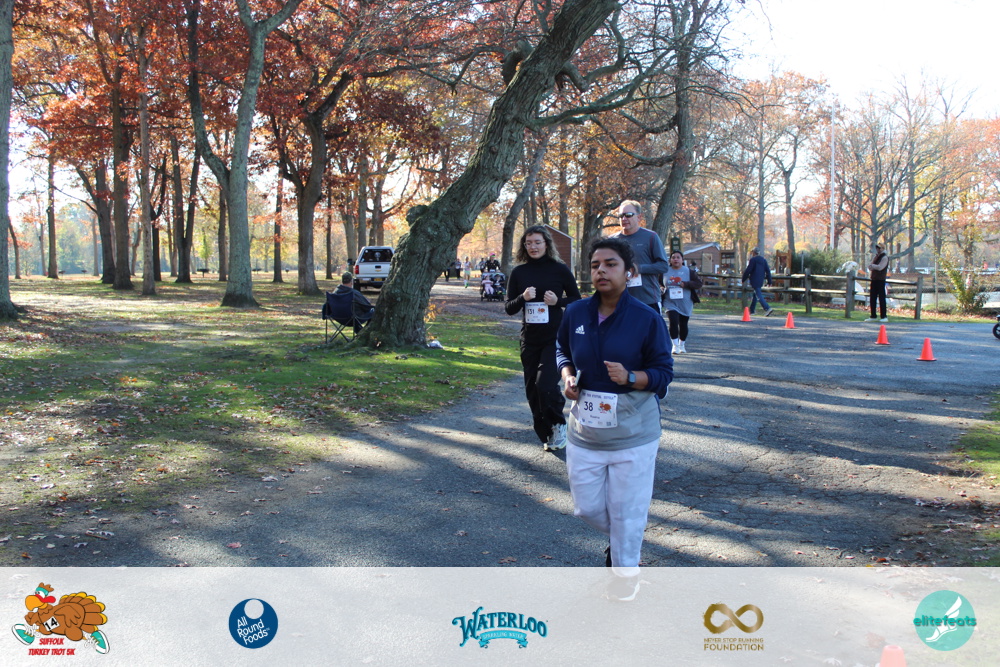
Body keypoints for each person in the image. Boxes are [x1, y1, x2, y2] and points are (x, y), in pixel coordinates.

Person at [556, 236, 673, 601]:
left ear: (630, 272)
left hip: (634, 434)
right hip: (585, 433)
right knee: (587, 508)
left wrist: (632, 377)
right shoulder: (576, 312)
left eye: (611, 264)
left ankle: (625, 576)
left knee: (627, 513)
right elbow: (562, 351)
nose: (601, 271)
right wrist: (567, 377)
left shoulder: (647, 318)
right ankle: (623, 537)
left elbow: (663, 372)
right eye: (595, 265)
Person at [506, 226, 582, 451]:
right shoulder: (519, 272)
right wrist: (523, 297)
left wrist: (558, 302)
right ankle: (545, 430)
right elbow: (509, 308)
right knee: (532, 389)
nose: (533, 247)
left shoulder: (559, 269)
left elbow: (577, 299)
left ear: (546, 244)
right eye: (529, 243)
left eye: (537, 242)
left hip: (555, 338)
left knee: (545, 384)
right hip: (529, 339)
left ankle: (559, 424)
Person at [611, 200, 669, 312]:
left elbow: (663, 266)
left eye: (628, 215)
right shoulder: (612, 240)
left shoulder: (651, 237)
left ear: (639, 217)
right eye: (621, 215)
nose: (624, 219)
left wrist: (638, 268)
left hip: (647, 300)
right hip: (620, 300)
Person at [661, 251, 702, 354]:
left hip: (685, 301)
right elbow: (659, 283)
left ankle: (682, 344)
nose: (675, 259)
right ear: (670, 260)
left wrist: (686, 284)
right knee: (673, 321)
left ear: (682, 260)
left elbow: (698, 283)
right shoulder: (665, 271)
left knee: (683, 324)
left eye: (678, 257)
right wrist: (661, 287)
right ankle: (675, 346)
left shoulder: (689, 271)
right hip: (670, 302)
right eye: (673, 257)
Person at [741, 247, 773, 316]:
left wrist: (743, 279)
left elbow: (748, 270)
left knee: (758, 295)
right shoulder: (763, 260)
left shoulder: (753, 260)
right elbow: (768, 271)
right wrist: (769, 281)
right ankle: (752, 310)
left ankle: (767, 308)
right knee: (755, 294)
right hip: (761, 280)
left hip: (754, 279)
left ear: (754, 253)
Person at [867, 243, 889, 322]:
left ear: (882, 249)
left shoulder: (885, 257)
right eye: (877, 248)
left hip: (880, 280)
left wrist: (873, 266)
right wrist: (872, 266)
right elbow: (870, 266)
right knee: (872, 298)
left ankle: (884, 316)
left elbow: (880, 267)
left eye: (879, 248)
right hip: (874, 279)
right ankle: (873, 315)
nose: (878, 249)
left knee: (881, 298)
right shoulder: (876, 257)